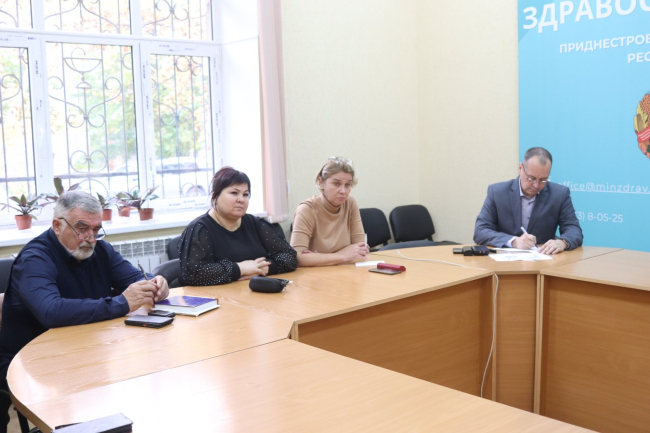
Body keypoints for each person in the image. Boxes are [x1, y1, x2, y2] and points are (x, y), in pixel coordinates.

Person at [0, 190, 169, 432]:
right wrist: (122, 302)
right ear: (57, 226)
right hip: (33, 362)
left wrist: (155, 283)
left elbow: (134, 279)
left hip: (86, 349)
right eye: (82, 228)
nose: (90, 237)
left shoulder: (100, 249)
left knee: (143, 379)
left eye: (96, 229)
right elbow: (52, 312)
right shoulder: (34, 258)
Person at [178, 167, 297, 286]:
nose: (241, 200)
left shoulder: (255, 223)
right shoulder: (200, 229)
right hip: (216, 295)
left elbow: (290, 257)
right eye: (234, 193)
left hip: (252, 291)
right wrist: (241, 268)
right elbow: (193, 274)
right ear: (215, 196)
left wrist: (263, 269)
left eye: (245, 194)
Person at [473, 147, 583, 255]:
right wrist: (514, 241)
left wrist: (562, 242)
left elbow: (574, 230)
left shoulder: (559, 194)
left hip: (543, 260)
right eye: (531, 178)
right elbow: (480, 231)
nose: (536, 185)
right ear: (520, 168)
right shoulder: (498, 192)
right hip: (503, 260)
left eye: (543, 180)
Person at [290, 157, 369, 266]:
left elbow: (360, 248)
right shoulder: (307, 209)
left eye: (347, 185)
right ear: (321, 182)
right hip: (316, 274)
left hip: (345, 270)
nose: (343, 191)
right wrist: (343, 255)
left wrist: (318, 257)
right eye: (336, 184)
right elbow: (297, 257)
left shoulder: (350, 203)